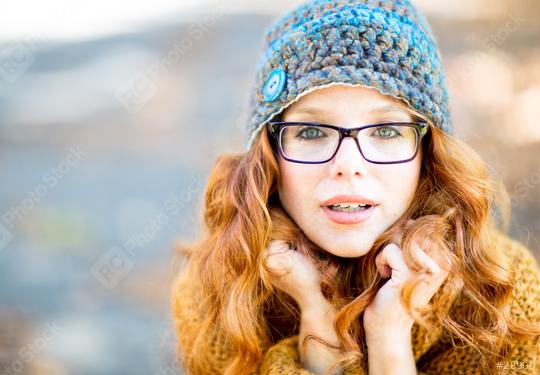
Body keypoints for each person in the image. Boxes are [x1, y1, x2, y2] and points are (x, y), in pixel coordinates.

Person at [171, 0, 540, 374]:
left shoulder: (505, 290)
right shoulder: (217, 287)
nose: (348, 166)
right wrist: (317, 319)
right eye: (312, 131)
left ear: (428, 154)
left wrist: (389, 337)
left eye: (385, 131)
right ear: (269, 154)